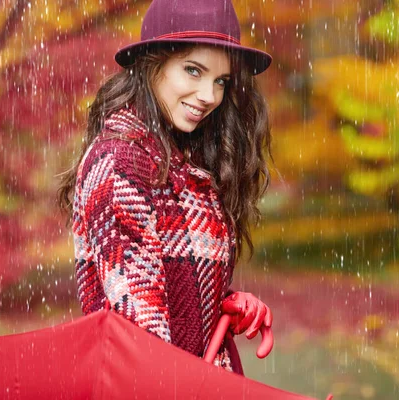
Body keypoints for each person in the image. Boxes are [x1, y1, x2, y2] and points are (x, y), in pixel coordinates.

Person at [57, 0, 274, 374]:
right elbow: (144, 340)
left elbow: (175, 281)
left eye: (220, 81)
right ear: (151, 64)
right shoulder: (121, 163)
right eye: (193, 70)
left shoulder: (182, 161)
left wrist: (220, 304)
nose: (209, 95)